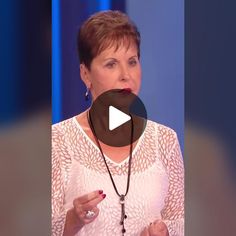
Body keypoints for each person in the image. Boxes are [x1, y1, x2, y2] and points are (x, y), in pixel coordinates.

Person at [52, 10, 184, 236]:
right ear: (86, 74)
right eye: (111, 64)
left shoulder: (165, 140)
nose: (126, 75)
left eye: (132, 62)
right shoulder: (58, 141)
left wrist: (165, 232)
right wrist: (72, 221)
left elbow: (180, 221)